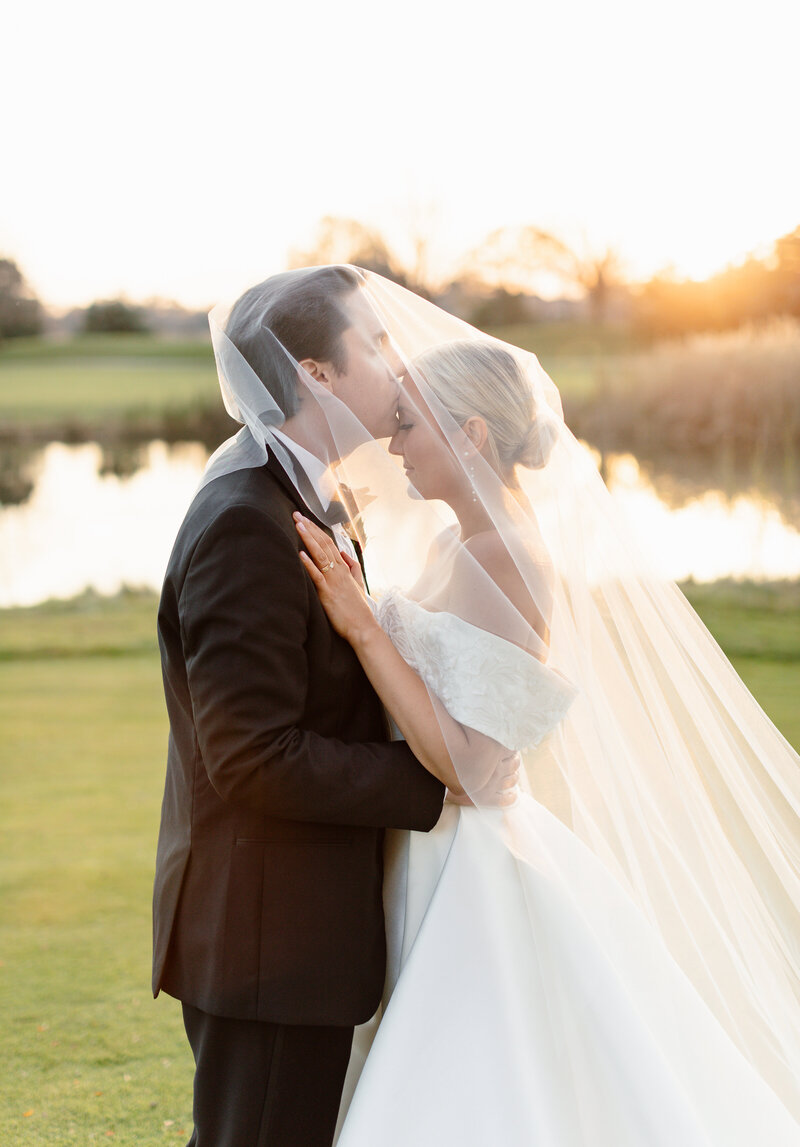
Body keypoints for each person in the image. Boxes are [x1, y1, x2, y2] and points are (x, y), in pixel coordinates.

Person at [262, 275, 800, 1145]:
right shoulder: (457, 540)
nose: (391, 443)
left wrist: (366, 630)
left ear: (470, 434)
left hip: (463, 860)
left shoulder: (510, 559)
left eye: (408, 422)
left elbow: (473, 765)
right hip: (417, 845)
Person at [152, 266, 517, 1147]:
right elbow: (252, 756)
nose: (398, 368)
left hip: (304, 929)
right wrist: (441, 776)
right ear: (316, 373)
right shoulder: (249, 516)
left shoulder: (313, 496)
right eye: (376, 346)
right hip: (269, 937)